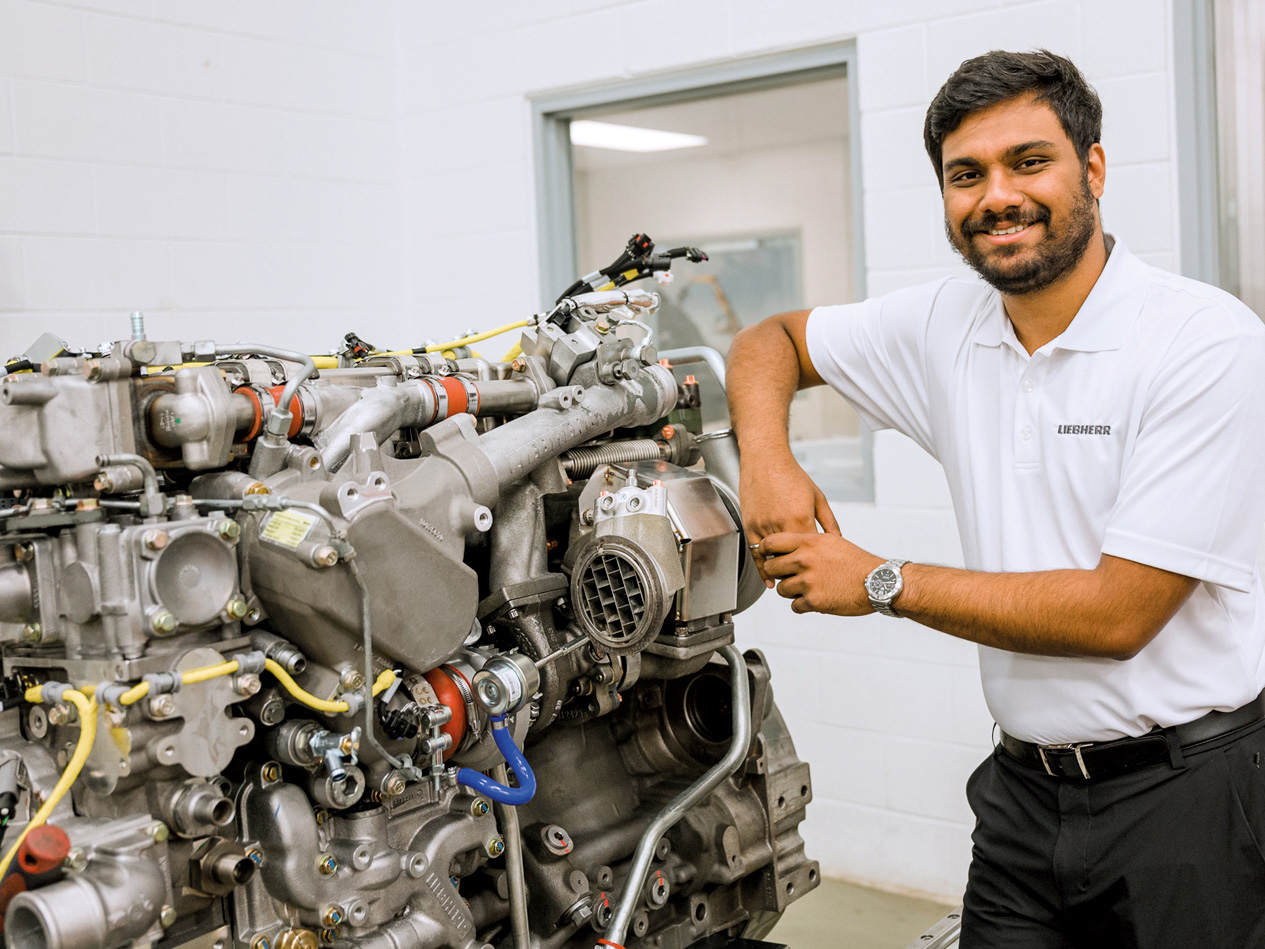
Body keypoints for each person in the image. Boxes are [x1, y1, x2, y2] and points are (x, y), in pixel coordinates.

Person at [727, 49, 1265, 948]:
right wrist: (767, 461)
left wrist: (880, 580)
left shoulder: (1201, 343)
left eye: (1028, 161)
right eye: (965, 174)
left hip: (1187, 799)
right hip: (1023, 797)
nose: (996, 196)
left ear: (1092, 169)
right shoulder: (947, 324)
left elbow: (1118, 613)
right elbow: (769, 341)